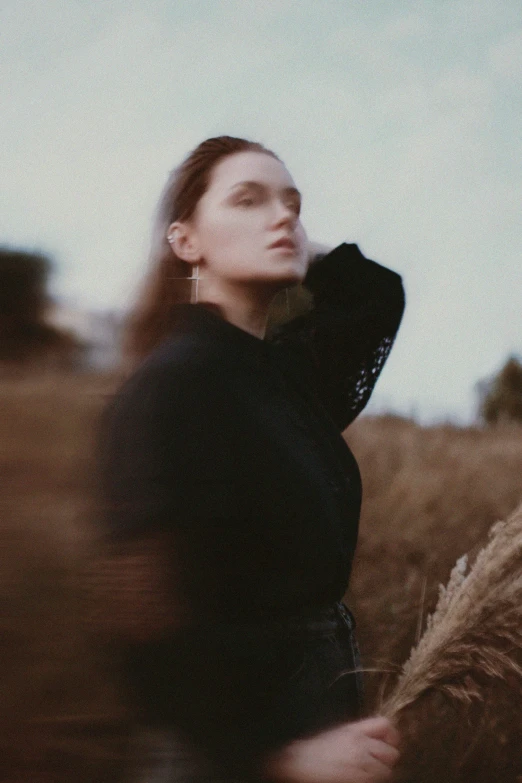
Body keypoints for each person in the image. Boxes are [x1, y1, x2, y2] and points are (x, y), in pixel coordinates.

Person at [97, 135, 405, 783]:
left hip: (316, 714)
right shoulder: (172, 384)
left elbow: (377, 295)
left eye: (294, 202)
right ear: (185, 241)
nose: (284, 214)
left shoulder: (287, 375)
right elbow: (145, 618)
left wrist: (287, 239)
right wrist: (277, 755)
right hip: (222, 750)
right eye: (248, 199)